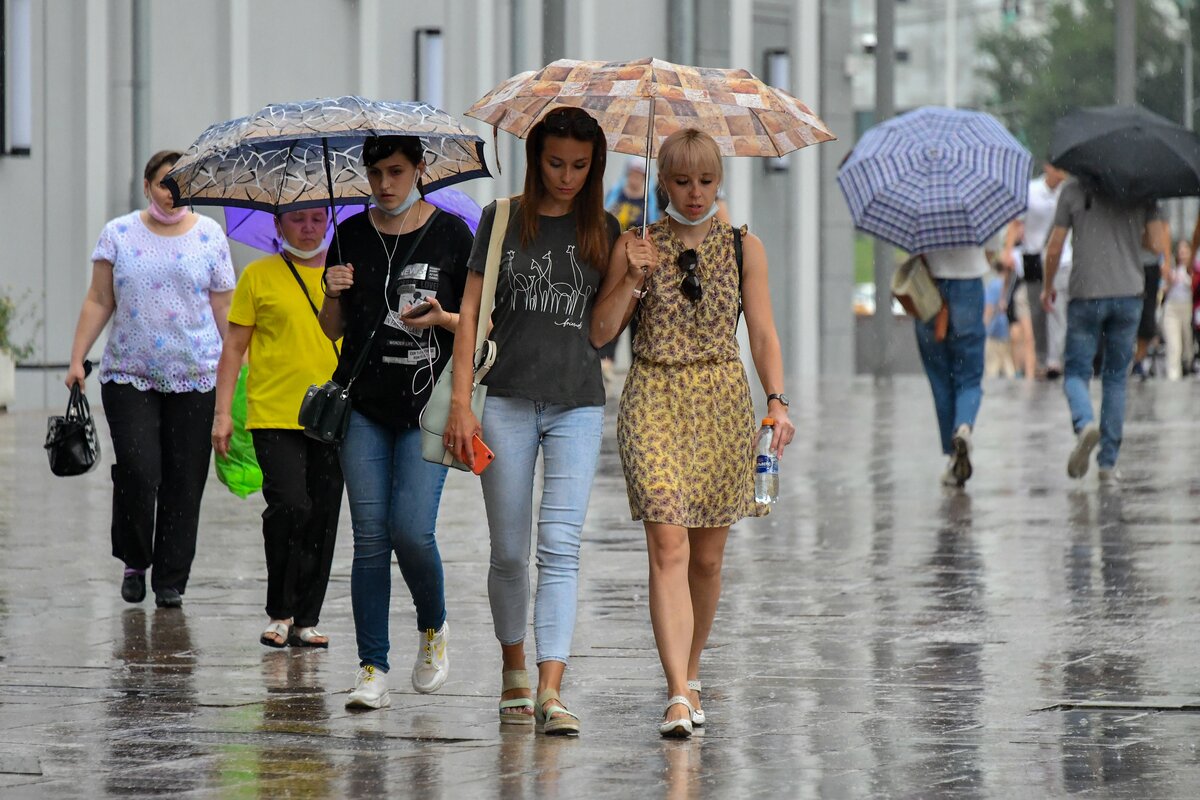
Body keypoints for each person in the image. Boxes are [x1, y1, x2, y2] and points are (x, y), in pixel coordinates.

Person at [591, 128, 796, 738]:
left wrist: (777, 401)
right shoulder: (636, 243)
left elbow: (761, 332)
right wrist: (630, 278)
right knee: (668, 547)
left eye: (707, 180)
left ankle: (693, 668)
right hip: (654, 394)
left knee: (706, 560)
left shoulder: (743, 248)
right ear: (662, 182)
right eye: (683, 181)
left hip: (721, 402)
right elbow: (600, 333)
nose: (696, 192)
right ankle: (677, 692)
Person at [444, 106, 618, 736]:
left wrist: (635, 271)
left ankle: (551, 688)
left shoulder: (607, 227)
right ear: (535, 158)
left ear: (595, 164)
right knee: (510, 551)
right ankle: (513, 667)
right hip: (506, 400)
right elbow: (470, 315)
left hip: (577, 402)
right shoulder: (499, 222)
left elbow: (604, 330)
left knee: (561, 549)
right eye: (555, 163)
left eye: (580, 164)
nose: (567, 176)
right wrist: (461, 403)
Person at [320, 135, 474, 709]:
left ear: (419, 170)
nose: (385, 184)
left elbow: (479, 326)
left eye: (397, 171)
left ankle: (433, 626)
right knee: (369, 539)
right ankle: (371, 667)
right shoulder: (350, 236)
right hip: (363, 405)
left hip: (428, 406)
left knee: (411, 529)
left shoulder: (453, 235)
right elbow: (333, 329)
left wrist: (443, 317)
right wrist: (331, 290)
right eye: (376, 173)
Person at [67, 150, 235, 608]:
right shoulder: (118, 234)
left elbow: (224, 310)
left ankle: (170, 580)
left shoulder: (210, 237)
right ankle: (135, 559)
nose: (173, 193)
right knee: (140, 473)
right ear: (147, 186)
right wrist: (78, 358)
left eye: (183, 184)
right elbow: (99, 299)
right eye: (165, 183)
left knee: (185, 480)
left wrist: (237, 373)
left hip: (198, 376)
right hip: (129, 375)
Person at [212, 208, 343, 649]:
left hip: (333, 416)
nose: (308, 228)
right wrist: (223, 413)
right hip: (274, 413)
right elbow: (234, 346)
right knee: (290, 506)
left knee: (323, 516)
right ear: (278, 225)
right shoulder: (259, 275)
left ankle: (307, 618)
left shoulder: (343, 275)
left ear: (329, 221)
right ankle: (280, 611)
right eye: (297, 219)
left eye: (316, 218)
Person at [1042, 178, 1169, 481]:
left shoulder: (1072, 191)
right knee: (1115, 379)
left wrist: (1047, 286)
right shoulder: (1141, 188)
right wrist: (1127, 234)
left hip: (1086, 293)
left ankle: (1085, 422)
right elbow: (1155, 243)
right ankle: (1107, 464)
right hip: (1128, 293)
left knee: (1075, 372)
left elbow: (1055, 245)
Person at [911, 248, 988, 487]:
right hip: (969, 285)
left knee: (940, 379)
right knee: (970, 377)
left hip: (929, 288)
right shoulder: (977, 211)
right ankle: (963, 427)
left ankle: (953, 454)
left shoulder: (921, 210)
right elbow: (992, 251)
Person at [1005, 162, 1069, 375]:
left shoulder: (1068, 192)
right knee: (1037, 311)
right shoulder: (1030, 191)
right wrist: (1007, 251)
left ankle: (1054, 360)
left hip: (1061, 258)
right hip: (1033, 255)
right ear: (1048, 168)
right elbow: (1016, 223)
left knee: (1056, 307)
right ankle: (1042, 359)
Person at [1161, 239, 1194, 381]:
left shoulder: (1194, 269)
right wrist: (1170, 281)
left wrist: (1189, 281)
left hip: (1188, 308)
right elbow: (1162, 290)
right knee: (1174, 346)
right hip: (1172, 309)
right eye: (1180, 251)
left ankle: (1189, 367)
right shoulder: (1171, 269)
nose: (1183, 254)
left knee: (1187, 345)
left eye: (1185, 251)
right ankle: (1173, 377)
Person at [984, 261, 1016, 378]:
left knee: (992, 368)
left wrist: (983, 329)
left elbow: (989, 308)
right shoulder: (1009, 285)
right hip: (1005, 330)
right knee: (1008, 365)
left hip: (994, 331)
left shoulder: (994, 285)